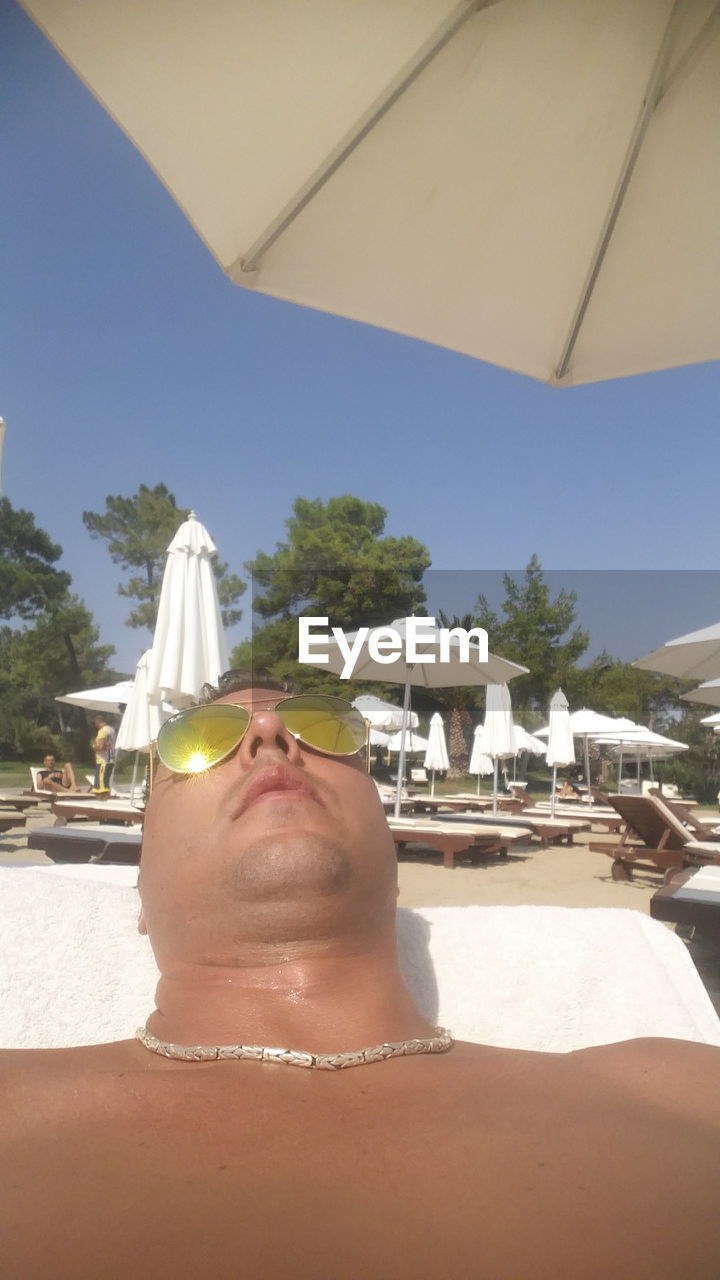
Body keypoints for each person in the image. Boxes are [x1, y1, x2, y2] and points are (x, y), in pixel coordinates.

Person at [2, 670, 720, 1278]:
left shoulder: (679, 1089)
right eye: (197, 740)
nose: (269, 739)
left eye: (321, 725)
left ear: (393, 855)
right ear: (139, 897)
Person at [90, 713, 116, 794]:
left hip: (102, 761)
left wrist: (94, 746)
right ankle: (106, 799)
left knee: (101, 787)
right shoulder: (111, 730)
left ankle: (101, 800)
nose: (95, 726)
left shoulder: (102, 731)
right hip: (111, 759)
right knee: (106, 784)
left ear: (98, 722)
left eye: (95, 723)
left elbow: (101, 747)